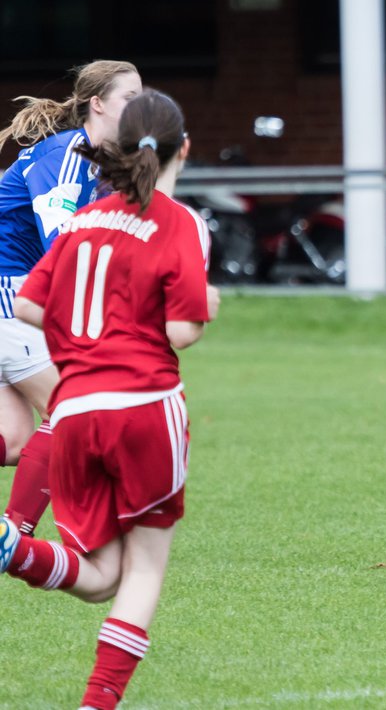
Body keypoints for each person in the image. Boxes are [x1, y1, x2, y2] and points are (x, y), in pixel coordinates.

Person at [0, 89, 216, 710]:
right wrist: (207, 308)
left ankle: (12, 546)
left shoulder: (85, 222)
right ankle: (98, 704)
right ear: (185, 149)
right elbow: (182, 331)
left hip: (75, 412)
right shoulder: (180, 222)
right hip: (145, 406)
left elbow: (32, 307)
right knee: (144, 572)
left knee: (99, 580)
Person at [0, 60, 143, 537]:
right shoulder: (66, 154)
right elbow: (61, 244)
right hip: (10, 292)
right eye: (129, 97)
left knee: (17, 439)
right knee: (72, 410)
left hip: (20, 293)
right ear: (97, 104)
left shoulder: (105, 164)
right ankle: (12, 536)